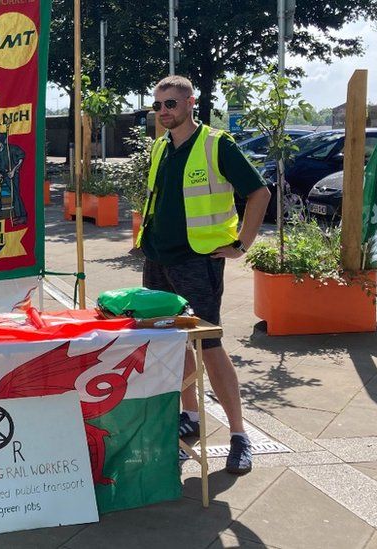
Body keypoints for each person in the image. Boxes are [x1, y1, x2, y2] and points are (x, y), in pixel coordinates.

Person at [136, 75, 271, 475]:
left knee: (209, 344)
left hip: (198, 261)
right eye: (158, 105)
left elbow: (259, 193)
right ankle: (190, 418)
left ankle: (238, 435)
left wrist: (242, 245)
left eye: (171, 104)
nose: (163, 112)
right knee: (171, 343)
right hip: (158, 260)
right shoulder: (162, 146)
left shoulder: (217, 144)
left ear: (191, 103)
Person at [0, 131, 27, 224]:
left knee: (15, 192)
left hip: (11, 173)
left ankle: (21, 216)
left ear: (2, 142)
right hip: (2, 174)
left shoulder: (12, 149)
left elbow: (21, 157)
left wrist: (14, 170)